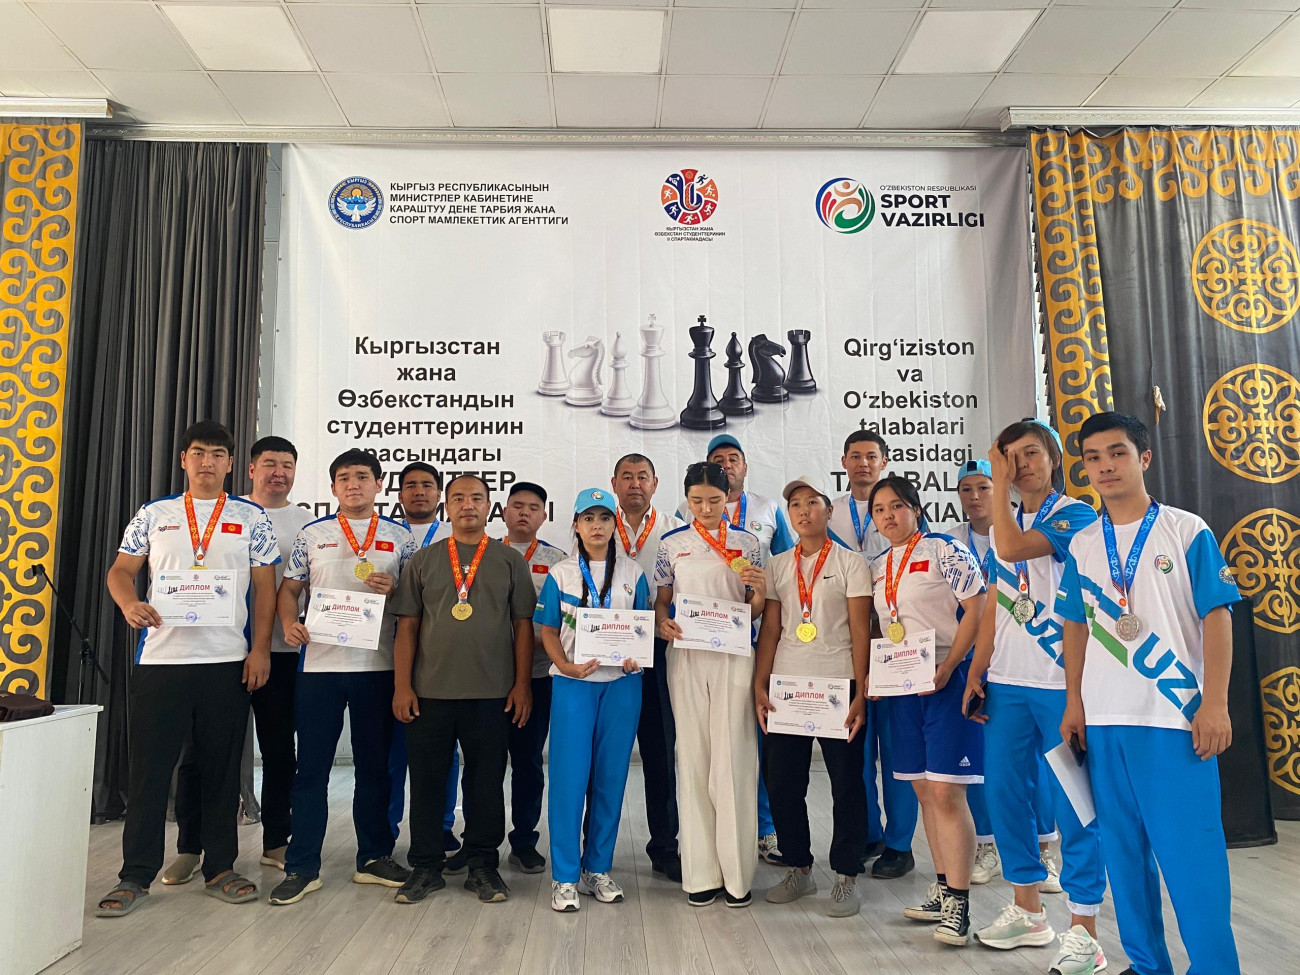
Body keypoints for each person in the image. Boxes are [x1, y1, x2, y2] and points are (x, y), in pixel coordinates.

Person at [1058, 412, 1241, 975]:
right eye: (1093, 457)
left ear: (1144, 458)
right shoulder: (1084, 542)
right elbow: (1075, 625)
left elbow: (1217, 616)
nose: (1105, 466)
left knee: (1191, 860)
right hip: (1104, 723)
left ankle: (1214, 968)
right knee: (1124, 857)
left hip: (1173, 719)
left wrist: (1215, 702)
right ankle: (1146, 966)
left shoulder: (1186, 531)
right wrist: (1073, 702)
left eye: (1117, 453)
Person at [97, 421, 278, 917]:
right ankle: (135, 875)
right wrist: (129, 603)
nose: (207, 462)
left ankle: (220, 867)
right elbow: (120, 571)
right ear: (184, 459)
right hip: (163, 661)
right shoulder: (154, 514)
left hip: (226, 662)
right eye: (198, 452)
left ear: (231, 464)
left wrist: (260, 649)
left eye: (217, 454)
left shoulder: (251, 517)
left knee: (221, 769)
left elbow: (266, 588)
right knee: (150, 772)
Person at [960, 423, 1108, 974]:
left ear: (1054, 459)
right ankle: (1027, 909)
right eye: (1009, 456)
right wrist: (977, 670)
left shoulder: (1075, 515)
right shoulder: (1006, 520)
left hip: (1061, 684)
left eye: (1030, 454)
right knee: (1004, 794)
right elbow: (995, 604)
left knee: (1074, 806)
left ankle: (1085, 930)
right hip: (1008, 683)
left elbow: (1015, 548)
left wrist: (996, 485)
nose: (1020, 465)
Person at [266, 450, 415, 905]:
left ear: (378, 484)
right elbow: (289, 589)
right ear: (333, 487)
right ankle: (302, 866)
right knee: (311, 770)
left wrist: (396, 589)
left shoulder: (401, 537)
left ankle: (373, 857)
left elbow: (416, 602)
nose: (354, 484)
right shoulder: (313, 534)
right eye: (344, 478)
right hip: (319, 669)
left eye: (363, 477)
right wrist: (288, 622)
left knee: (375, 769)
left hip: (379, 668)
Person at [163, 436, 311, 885]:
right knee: (200, 754)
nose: (278, 472)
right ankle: (191, 847)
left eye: (287, 465)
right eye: (269, 464)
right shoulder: (224, 511)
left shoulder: (307, 523)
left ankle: (276, 841)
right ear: (248, 469)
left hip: (279, 655)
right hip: (218, 654)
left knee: (279, 751)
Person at [389, 474, 536, 904]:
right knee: (427, 782)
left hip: (493, 694)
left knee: (485, 783)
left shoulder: (510, 561)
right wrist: (402, 685)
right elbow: (407, 627)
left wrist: (522, 685)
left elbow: (523, 627)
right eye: (458, 498)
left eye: (476, 497)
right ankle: (425, 866)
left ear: (490, 506)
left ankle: (483, 865)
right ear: (446, 507)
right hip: (429, 692)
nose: (467, 504)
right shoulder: (424, 560)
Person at [868, 475, 986, 947]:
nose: (889, 516)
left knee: (946, 793)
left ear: (916, 509)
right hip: (904, 688)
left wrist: (952, 665)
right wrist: (880, 676)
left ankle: (960, 903)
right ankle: (943, 888)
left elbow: (978, 608)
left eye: (897, 506)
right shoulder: (879, 565)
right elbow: (886, 628)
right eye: (880, 510)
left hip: (946, 681)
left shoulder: (944, 550)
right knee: (924, 792)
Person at [755, 476, 870, 918]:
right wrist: (760, 684)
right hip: (787, 689)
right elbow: (771, 628)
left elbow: (860, 630)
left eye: (812, 503)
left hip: (839, 686)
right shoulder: (777, 565)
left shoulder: (851, 562)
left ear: (828, 510)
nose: (803, 511)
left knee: (846, 783)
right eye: (795, 505)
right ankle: (799, 867)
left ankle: (846, 875)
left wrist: (861, 692)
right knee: (783, 782)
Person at [678, 434, 792, 865]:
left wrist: (763, 600)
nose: (705, 508)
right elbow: (674, 588)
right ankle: (704, 844)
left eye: (733, 458)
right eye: (718, 459)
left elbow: (783, 569)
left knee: (746, 743)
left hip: (748, 640)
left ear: (742, 469)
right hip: (694, 648)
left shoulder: (764, 514)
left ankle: (761, 829)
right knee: (701, 749)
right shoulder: (682, 523)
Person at [656, 462, 766, 907]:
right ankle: (700, 873)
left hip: (734, 656)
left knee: (734, 757)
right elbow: (663, 600)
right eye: (697, 500)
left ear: (728, 498)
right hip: (686, 654)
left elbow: (755, 607)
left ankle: (737, 876)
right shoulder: (672, 544)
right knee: (693, 756)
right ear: (686, 499)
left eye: (714, 500)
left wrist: (759, 593)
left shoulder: (748, 543)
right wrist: (663, 623)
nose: (705, 508)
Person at [536, 488, 649, 912]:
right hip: (574, 685)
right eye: (588, 518)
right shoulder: (561, 574)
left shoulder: (633, 572)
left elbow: (642, 626)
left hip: (621, 685)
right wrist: (564, 665)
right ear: (577, 525)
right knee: (568, 780)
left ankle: (596, 868)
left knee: (611, 779)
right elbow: (548, 629)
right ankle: (565, 875)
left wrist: (637, 657)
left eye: (604, 518)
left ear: (614, 525)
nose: (597, 526)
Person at [829, 429, 917, 880]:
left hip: (897, 649)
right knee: (856, 751)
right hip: (848, 646)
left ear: (884, 461)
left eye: (871, 456)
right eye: (855, 455)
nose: (863, 462)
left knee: (898, 751)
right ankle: (868, 833)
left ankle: (900, 844)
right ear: (844, 461)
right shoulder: (829, 512)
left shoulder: (908, 526)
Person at [610, 452, 683, 882]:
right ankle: (597, 846)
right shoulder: (597, 525)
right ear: (614, 484)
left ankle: (665, 847)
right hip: (610, 653)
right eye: (627, 476)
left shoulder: (675, 529)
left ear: (655, 484)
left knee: (660, 755)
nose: (635, 483)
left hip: (658, 652)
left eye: (643, 477)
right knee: (605, 756)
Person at [495, 481, 566, 875]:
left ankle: (523, 841)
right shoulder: (484, 552)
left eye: (533, 507)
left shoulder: (559, 561)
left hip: (538, 676)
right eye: (517, 505)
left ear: (543, 516)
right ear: (504, 512)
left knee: (528, 762)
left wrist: (549, 644)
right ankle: (480, 842)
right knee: (485, 763)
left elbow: (569, 619)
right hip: (487, 677)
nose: (524, 513)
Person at [391, 461, 459, 853]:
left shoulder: (458, 536)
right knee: (392, 752)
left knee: (444, 752)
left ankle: (443, 825)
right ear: (400, 494)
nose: (419, 491)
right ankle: (388, 829)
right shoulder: (383, 533)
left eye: (427, 485)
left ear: (440, 495)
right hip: (389, 651)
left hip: (441, 656)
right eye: (411, 485)